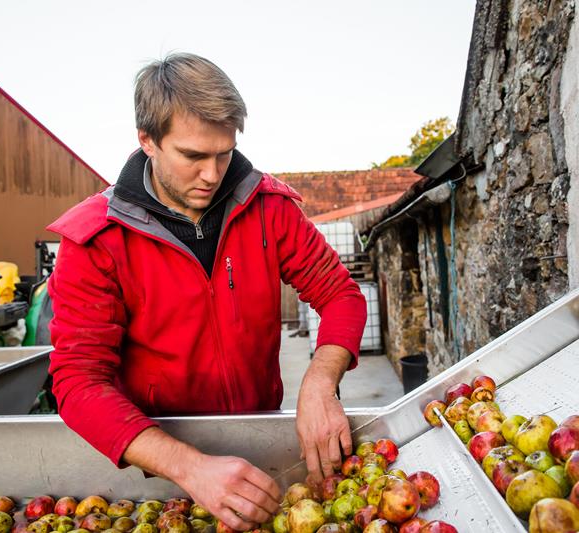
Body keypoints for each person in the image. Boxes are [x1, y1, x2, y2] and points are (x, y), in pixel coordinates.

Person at [46, 52, 367, 528]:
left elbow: (340, 295)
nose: (213, 175)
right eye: (193, 156)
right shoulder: (96, 239)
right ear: (147, 141)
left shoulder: (269, 209)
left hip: (260, 435)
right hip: (154, 464)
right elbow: (78, 384)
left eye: (225, 153)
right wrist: (189, 467)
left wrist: (321, 383)